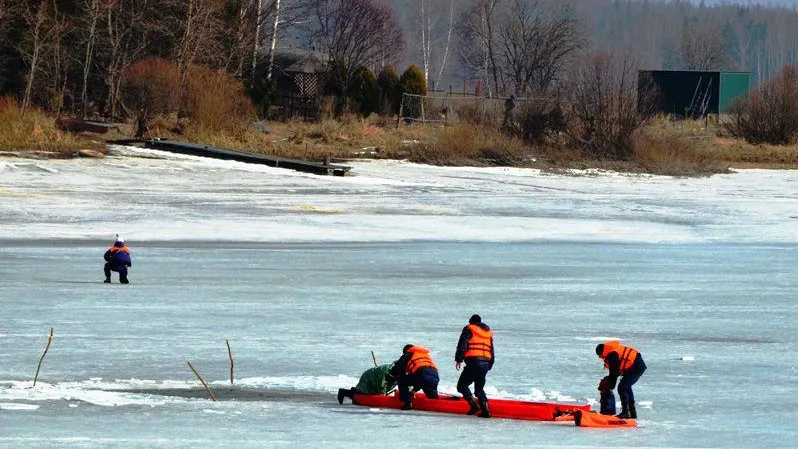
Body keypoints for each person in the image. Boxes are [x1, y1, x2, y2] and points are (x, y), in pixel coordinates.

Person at [455, 314, 494, 418]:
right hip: (485, 363)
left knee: (462, 386)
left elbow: (462, 345)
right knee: (479, 389)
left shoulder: (469, 329)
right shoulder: (488, 333)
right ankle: (486, 411)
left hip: (473, 362)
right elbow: (491, 350)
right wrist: (490, 364)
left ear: (471, 322)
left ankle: (474, 405)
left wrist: (459, 359)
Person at [595, 340, 646, 419]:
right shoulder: (611, 353)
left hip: (637, 367)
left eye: (599, 355)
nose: (600, 357)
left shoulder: (612, 356)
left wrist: (610, 386)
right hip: (632, 367)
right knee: (626, 386)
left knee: (622, 387)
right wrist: (609, 380)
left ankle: (626, 412)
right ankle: (632, 413)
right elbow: (615, 372)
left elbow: (614, 372)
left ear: (602, 353)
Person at [390, 344, 440, 410]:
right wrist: (413, 391)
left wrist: (393, 375)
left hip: (422, 375)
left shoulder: (407, 355)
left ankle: (407, 403)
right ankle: (438, 404)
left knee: (402, 380)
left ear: (405, 351)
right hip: (435, 377)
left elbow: (398, 368)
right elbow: (421, 380)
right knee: (432, 397)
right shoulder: (424, 355)